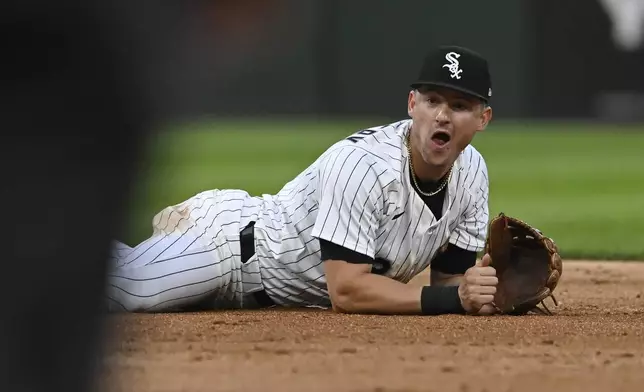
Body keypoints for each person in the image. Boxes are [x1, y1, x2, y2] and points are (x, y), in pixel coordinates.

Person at [106, 45, 498, 316]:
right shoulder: (362, 164)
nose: (442, 116)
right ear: (413, 104)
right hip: (230, 248)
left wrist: (488, 292)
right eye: (433, 101)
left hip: (272, 295)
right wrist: (453, 299)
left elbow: (452, 282)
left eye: (460, 106)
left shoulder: (473, 173)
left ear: (483, 119)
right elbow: (347, 290)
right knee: (130, 292)